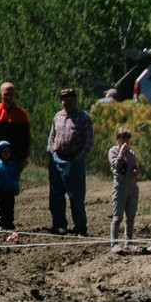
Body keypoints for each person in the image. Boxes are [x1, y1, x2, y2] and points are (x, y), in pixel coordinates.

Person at [0, 82, 31, 229]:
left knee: (9, 192)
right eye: (5, 94)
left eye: (11, 94)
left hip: (13, 161)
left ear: (15, 95)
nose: (8, 96)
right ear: (0, 94)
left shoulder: (21, 114)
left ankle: (7, 221)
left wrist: (23, 159)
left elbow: (26, 139)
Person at [46, 88, 94, 236]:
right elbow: (52, 136)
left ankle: (80, 227)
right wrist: (51, 152)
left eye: (70, 100)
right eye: (64, 100)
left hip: (74, 161)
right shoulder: (57, 116)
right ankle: (59, 224)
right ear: (61, 101)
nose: (67, 103)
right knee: (56, 196)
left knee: (76, 196)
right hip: (57, 160)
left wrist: (79, 158)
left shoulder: (83, 117)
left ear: (75, 100)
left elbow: (89, 141)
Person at [107, 127, 140, 252]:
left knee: (130, 216)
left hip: (132, 186)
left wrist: (137, 171)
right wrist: (121, 152)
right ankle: (114, 243)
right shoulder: (113, 151)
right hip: (120, 186)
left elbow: (135, 167)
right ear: (118, 139)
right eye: (123, 138)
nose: (126, 141)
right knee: (117, 216)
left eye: (127, 138)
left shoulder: (132, 154)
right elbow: (116, 165)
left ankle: (129, 242)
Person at [0, 140, 21, 230]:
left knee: (10, 208)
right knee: (1, 209)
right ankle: (2, 224)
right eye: (4, 152)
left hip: (10, 191)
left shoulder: (12, 165)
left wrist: (16, 188)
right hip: (0, 192)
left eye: (8, 152)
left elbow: (15, 178)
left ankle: (9, 223)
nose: (6, 154)